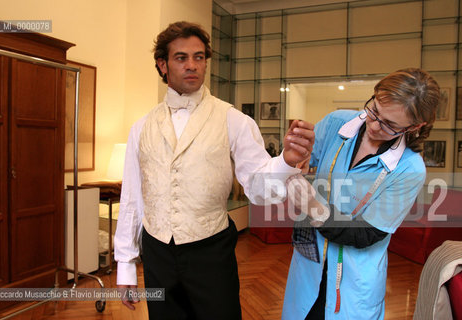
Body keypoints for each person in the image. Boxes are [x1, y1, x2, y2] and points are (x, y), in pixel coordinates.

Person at [114, 21, 315, 320]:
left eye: (199, 57)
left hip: (210, 250)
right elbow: (132, 197)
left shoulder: (233, 119)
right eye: (181, 58)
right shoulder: (140, 127)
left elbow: (259, 190)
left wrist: (285, 161)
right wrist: (126, 263)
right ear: (163, 64)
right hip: (157, 251)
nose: (192, 65)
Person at [282, 68, 440, 319]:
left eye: (390, 125)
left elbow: (368, 232)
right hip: (309, 265)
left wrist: (313, 206)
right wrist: (298, 156)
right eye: (375, 110)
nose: (374, 126)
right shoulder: (337, 122)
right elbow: (306, 158)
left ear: (415, 126)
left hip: (353, 284)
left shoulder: (410, 169)